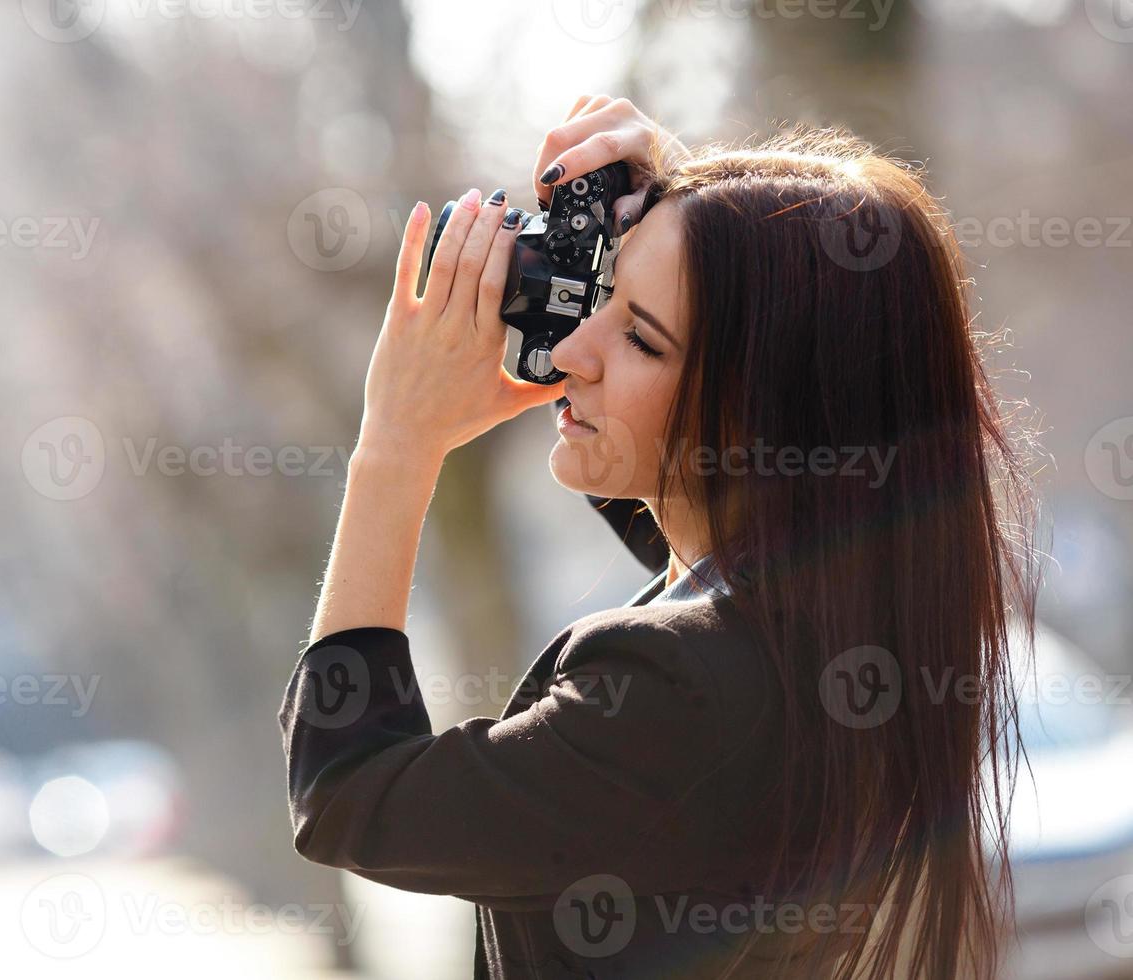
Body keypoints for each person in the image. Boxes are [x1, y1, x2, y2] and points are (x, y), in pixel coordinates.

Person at [278, 95, 1041, 979]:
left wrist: (395, 448)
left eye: (639, 336)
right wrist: (707, 203)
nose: (571, 351)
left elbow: (349, 790)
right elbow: (702, 540)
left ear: (758, 414)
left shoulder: (674, 691)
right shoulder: (845, 636)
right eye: (607, 296)